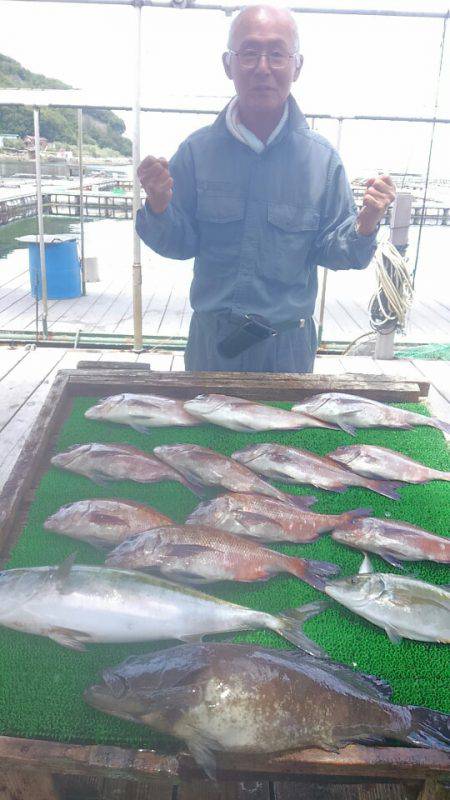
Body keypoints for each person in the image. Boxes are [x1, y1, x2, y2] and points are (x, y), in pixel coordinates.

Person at [136, 5, 396, 373]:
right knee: (202, 433)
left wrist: (366, 222)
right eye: (249, 53)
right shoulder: (195, 152)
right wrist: (159, 206)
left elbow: (337, 252)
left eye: (276, 53)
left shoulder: (323, 161)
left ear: (297, 66)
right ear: (228, 64)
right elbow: (180, 244)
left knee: (290, 431)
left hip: (287, 349)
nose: (262, 67)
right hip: (213, 347)